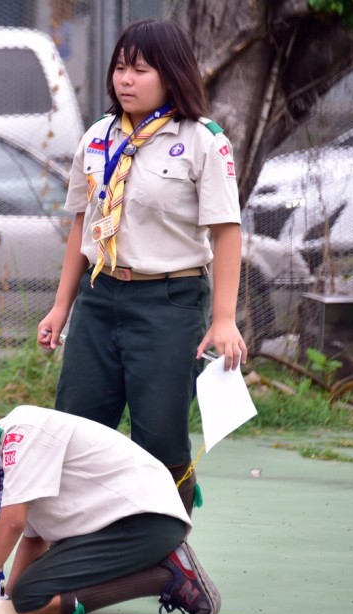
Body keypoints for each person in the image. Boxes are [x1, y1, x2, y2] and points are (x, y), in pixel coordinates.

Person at [36, 19, 247, 515]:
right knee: (76, 426)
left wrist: (223, 318)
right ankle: (81, 541)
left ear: (170, 75)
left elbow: (226, 231)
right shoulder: (96, 139)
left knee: (161, 436)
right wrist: (60, 307)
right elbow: (82, 228)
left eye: (140, 70)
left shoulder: (202, 141)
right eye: (120, 69)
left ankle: (167, 550)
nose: (125, 80)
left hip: (168, 303)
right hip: (100, 296)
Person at [0, 405, 220, 614]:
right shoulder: (8, 457)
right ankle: (168, 569)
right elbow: (33, 537)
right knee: (23, 599)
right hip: (133, 524)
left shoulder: (20, 434)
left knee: (32, 601)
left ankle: (168, 575)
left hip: (146, 521)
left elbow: (13, 522)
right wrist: (7, 595)